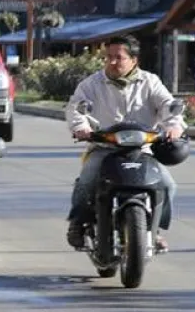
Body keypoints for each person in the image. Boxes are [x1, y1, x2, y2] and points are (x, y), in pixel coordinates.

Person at [65, 35, 186, 252]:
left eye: (118, 57)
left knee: (167, 185)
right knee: (87, 180)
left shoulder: (150, 82)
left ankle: (154, 230)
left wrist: (174, 126)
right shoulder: (91, 84)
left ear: (134, 60)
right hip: (104, 147)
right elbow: (76, 108)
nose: (112, 62)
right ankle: (78, 223)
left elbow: (168, 106)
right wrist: (81, 127)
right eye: (108, 57)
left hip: (142, 149)